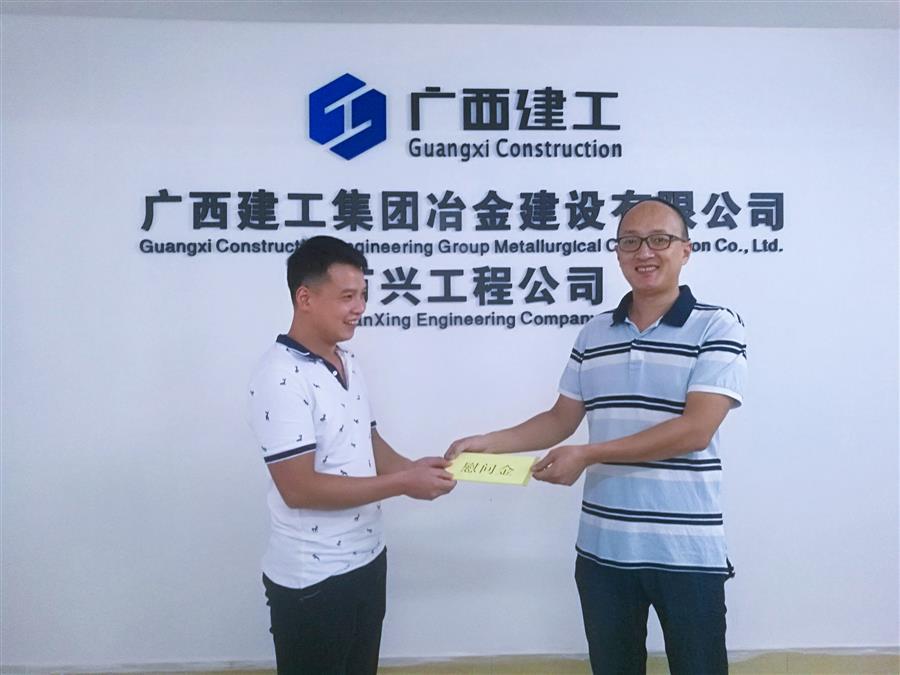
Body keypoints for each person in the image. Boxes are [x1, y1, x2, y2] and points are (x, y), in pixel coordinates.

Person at [447, 198, 747, 675]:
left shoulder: (716, 325)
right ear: (618, 252)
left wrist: (589, 454)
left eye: (660, 240)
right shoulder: (594, 333)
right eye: (630, 242)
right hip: (603, 550)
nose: (644, 252)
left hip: (687, 551)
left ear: (686, 250)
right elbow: (560, 419)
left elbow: (695, 430)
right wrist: (489, 441)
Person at [248, 235, 456, 675]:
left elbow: (368, 440)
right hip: (313, 580)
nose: (359, 307)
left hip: (368, 559)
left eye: (363, 295)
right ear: (305, 298)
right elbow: (299, 488)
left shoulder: (348, 361)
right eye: (347, 296)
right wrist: (404, 483)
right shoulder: (280, 377)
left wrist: (417, 469)